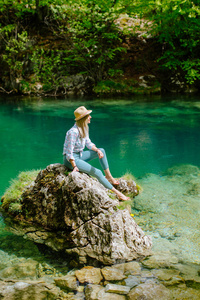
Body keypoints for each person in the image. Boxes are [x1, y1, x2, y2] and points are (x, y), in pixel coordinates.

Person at [63, 106, 129, 201]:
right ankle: (118, 194)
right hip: (70, 160)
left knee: (101, 150)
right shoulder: (73, 132)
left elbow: (88, 143)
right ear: (84, 118)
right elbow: (69, 152)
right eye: (88, 116)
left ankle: (109, 177)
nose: (90, 117)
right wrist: (74, 166)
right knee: (97, 172)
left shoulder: (84, 128)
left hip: (80, 155)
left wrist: (97, 150)